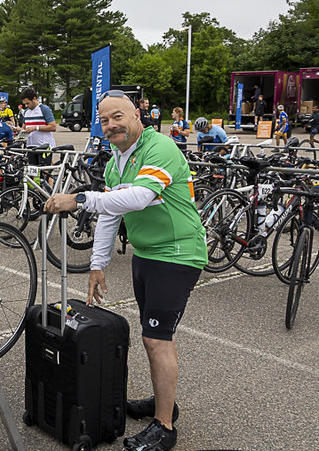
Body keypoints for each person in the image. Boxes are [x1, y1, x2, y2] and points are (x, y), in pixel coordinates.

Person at [44, 90, 207, 451]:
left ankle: (164, 426)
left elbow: (139, 196)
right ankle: (163, 402)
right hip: (146, 253)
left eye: (117, 116)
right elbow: (110, 213)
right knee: (155, 335)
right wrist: (97, 265)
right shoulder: (115, 162)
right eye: (104, 120)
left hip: (178, 252)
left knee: (156, 338)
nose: (111, 125)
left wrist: (80, 198)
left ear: (137, 115)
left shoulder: (160, 147)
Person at [19, 87, 57, 165]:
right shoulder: (26, 112)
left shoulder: (44, 109)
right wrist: (19, 130)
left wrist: (36, 128)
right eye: (24, 104)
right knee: (32, 171)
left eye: (28, 103)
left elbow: (53, 127)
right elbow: (24, 128)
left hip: (44, 146)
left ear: (34, 99)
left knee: (44, 171)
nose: (26, 106)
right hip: (31, 146)